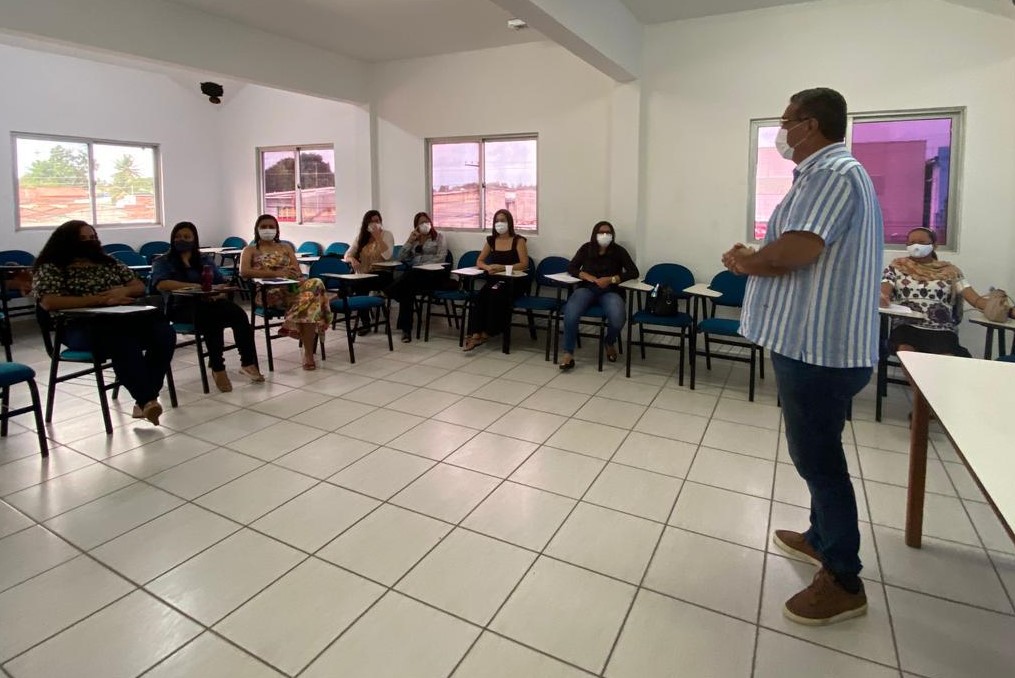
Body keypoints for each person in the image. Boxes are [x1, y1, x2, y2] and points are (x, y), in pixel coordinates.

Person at [722, 87, 881, 625]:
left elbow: (796, 252)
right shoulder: (825, 175)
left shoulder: (833, 175)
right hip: (813, 342)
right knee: (819, 450)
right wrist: (759, 255)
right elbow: (798, 247)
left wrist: (748, 263)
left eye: (786, 122)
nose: (781, 132)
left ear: (810, 125)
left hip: (819, 349)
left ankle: (843, 578)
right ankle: (820, 537)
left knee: (818, 460)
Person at [32, 220, 176, 425]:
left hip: (121, 319)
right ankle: (146, 399)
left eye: (92, 238)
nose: (89, 242)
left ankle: (147, 399)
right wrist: (101, 300)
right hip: (77, 327)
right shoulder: (52, 267)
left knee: (163, 332)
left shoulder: (107, 262)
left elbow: (138, 285)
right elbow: (49, 301)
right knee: (122, 340)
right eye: (82, 239)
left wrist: (123, 291)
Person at [150, 221, 264, 392]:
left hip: (209, 302)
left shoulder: (203, 259)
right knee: (211, 317)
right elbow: (161, 284)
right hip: (181, 307)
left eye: (187, 237)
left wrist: (218, 293)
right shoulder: (163, 261)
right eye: (178, 237)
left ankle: (247, 362)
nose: (182, 240)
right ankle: (218, 367)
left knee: (238, 314)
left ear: (194, 239)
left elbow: (219, 283)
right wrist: (195, 287)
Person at [881, 226, 1014, 355]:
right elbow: (884, 290)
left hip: (941, 329)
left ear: (934, 245)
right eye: (911, 242)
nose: (916, 245)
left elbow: (976, 300)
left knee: (946, 355)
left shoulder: (951, 272)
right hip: (906, 326)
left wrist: (1007, 310)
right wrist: (883, 297)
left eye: (921, 242)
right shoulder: (896, 267)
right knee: (906, 351)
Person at [239, 215, 332, 370]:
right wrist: (276, 274)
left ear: (277, 229)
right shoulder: (250, 250)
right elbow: (244, 271)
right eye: (264, 226)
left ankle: (292, 325)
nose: (268, 230)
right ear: (257, 229)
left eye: (271, 226)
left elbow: (297, 271)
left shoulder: (285, 248)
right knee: (310, 302)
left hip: (292, 290)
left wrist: (297, 277)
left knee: (316, 283)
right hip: (267, 293)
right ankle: (308, 353)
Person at [558, 221, 639, 370]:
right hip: (587, 288)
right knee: (570, 312)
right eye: (601, 232)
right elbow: (572, 267)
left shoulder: (619, 251)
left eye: (608, 233)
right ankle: (568, 353)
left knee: (618, 317)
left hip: (611, 291)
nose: (604, 235)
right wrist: (585, 275)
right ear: (595, 234)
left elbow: (634, 272)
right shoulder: (586, 248)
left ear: (612, 235)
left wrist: (611, 279)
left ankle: (609, 342)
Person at [463, 209, 529, 351]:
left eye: (503, 220)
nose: (500, 224)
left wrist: (502, 268)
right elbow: (479, 261)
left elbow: (524, 264)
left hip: (512, 282)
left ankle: (488, 332)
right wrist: (487, 267)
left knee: (495, 295)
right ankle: (475, 333)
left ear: (509, 222)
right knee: (480, 297)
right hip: (494, 280)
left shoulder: (518, 240)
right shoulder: (491, 240)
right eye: (497, 221)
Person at [388, 212, 449, 342]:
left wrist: (422, 265)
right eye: (421, 223)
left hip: (433, 275)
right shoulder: (414, 240)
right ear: (416, 226)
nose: (425, 224)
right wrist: (410, 240)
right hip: (415, 278)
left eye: (427, 221)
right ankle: (406, 331)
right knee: (407, 291)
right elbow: (400, 257)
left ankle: (388, 291)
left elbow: (441, 257)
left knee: (411, 274)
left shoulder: (439, 237)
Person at [344, 210, 395, 336]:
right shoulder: (362, 237)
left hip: (382, 274)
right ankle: (365, 322)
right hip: (365, 274)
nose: (374, 224)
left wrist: (378, 237)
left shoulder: (387, 235)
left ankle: (365, 322)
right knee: (357, 284)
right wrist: (352, 259)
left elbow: (387, 256)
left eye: (377, 221)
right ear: (366, 224)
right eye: (371, 221)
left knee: (358, 285)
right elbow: (347, 254)